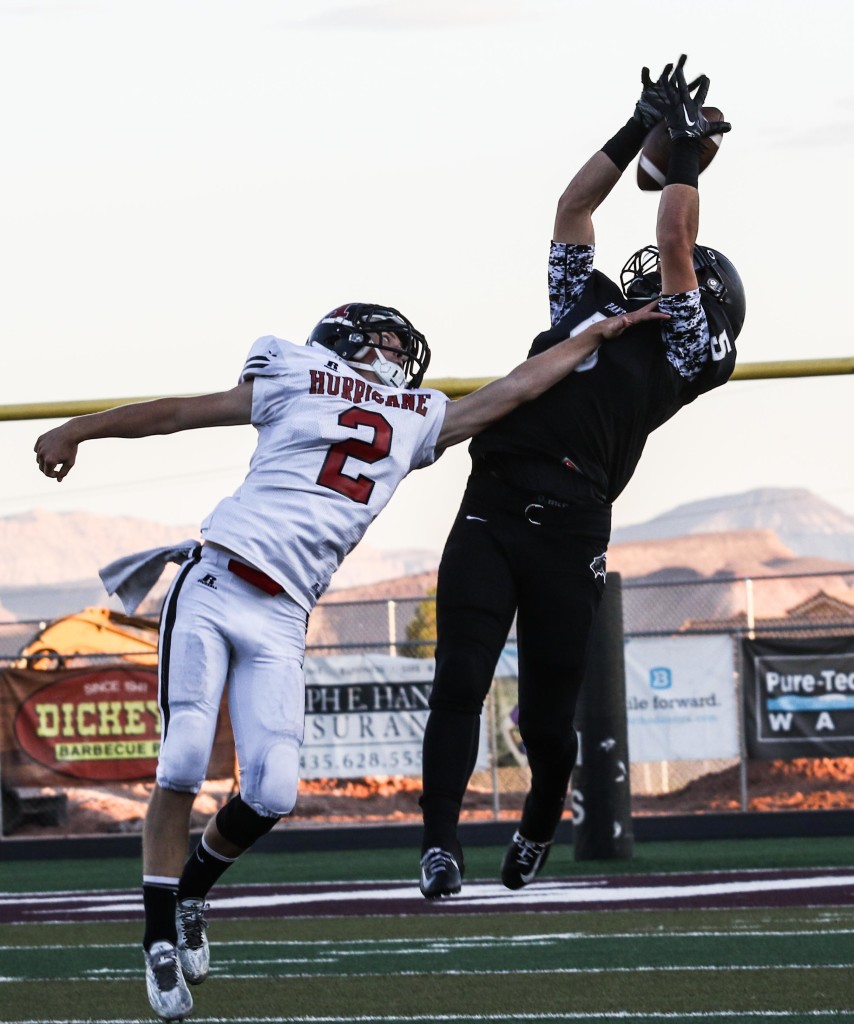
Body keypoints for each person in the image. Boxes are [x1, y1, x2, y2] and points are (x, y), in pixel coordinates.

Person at [34, 299, 666, 1021]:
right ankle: (155, 938)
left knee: (272, 793)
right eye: (392, 339)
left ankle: (192, 894)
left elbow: (514, 389)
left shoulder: (415, 412)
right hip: (217, 581)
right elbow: (182, 411)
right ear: (348, 339)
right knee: (181, 760)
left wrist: (593, 335)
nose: (402, 355)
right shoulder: (296, 371)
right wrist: (78, 428)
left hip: (283, 613)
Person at [417, 55, 745, 900]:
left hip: (569, 524)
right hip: (491, 501)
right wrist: (638, 124)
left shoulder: (688, 348)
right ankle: (441, 846)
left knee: (550, 717)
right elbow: (572, 209)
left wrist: (681, 156)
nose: (673, 272)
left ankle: (535, 825)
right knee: (459, 678)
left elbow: (675, 237)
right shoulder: (587, 306)